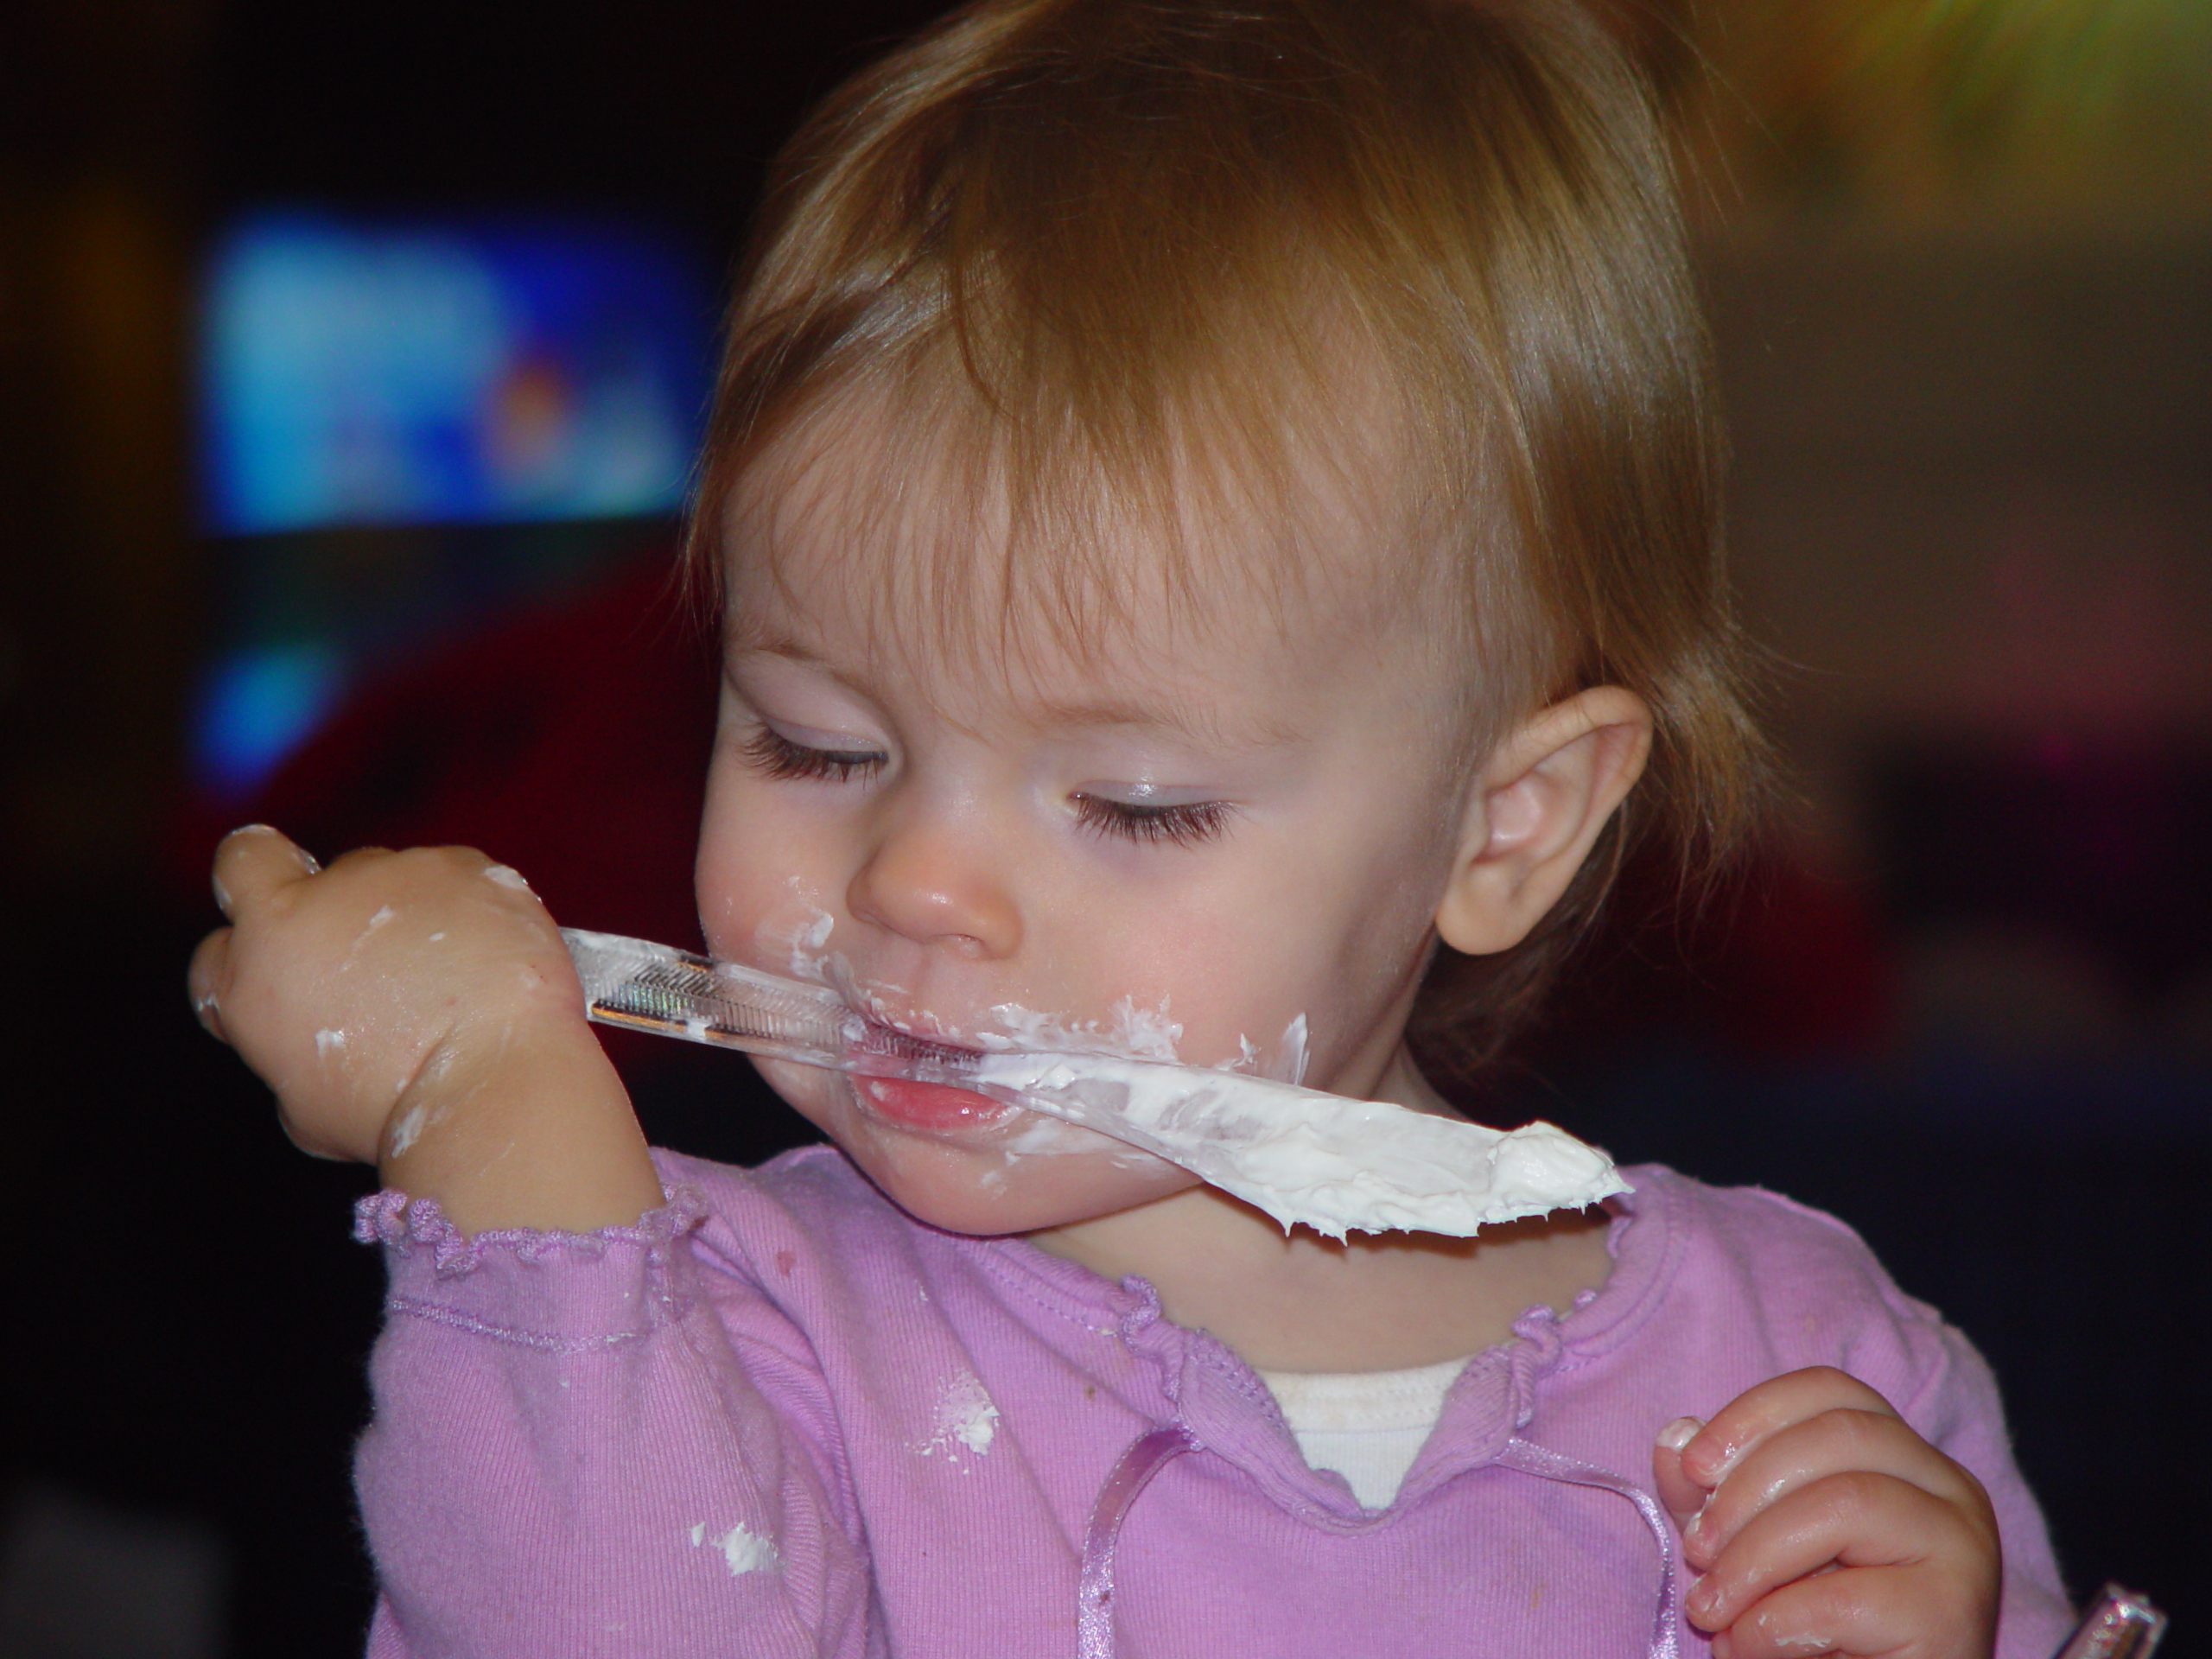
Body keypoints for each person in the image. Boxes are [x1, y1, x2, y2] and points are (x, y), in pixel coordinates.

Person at [188, 1, 2075, 1653]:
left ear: (1502, 825)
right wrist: (494, 1118)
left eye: (1133, 801)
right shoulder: (705, 1346)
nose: (912, 882)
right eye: (817, 745)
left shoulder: (1801, 1382)